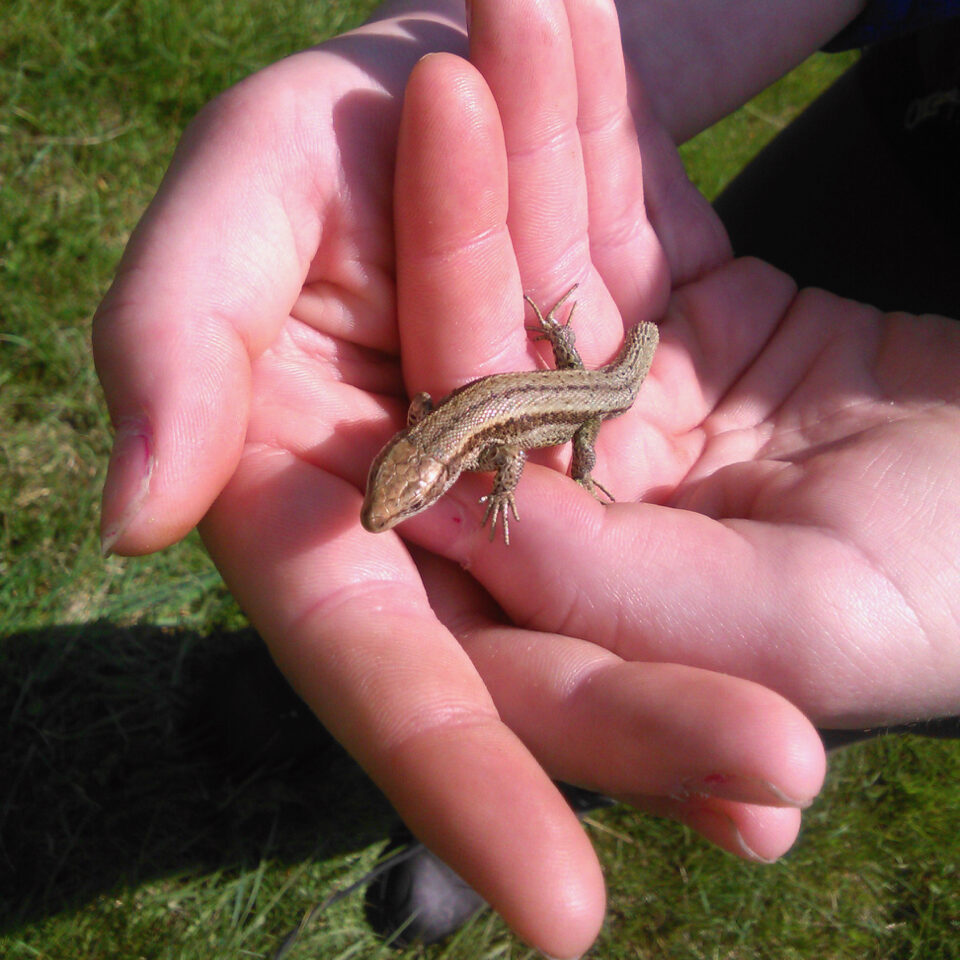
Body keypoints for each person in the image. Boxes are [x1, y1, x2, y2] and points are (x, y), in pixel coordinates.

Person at [92, 0, 960, 956]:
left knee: (665, 644)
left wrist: (512, 482)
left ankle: (569, 766)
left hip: (586, 400)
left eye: (405, 496)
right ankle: (304, 693)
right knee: (717, 275)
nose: (394, 508)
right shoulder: (431, 442)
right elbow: (443, 434)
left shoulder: (477, 448)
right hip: (917, 112)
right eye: (400, 490)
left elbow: (507, 443)